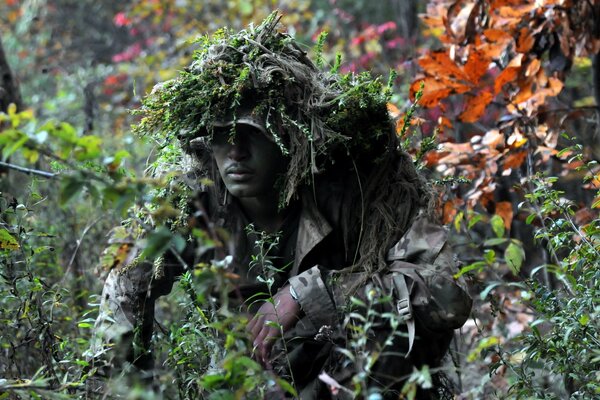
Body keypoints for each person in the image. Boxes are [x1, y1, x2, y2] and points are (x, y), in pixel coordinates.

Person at [91, 13, 472, 399]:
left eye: (252, 134)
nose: (235, 153)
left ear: (288, 138)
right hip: (258, 377)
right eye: (222, 137)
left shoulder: (357, 185)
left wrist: (311, 294)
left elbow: (446, 294)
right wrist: (133, 390)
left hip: (360, 375)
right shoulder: (194, 197)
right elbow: (125, 286)